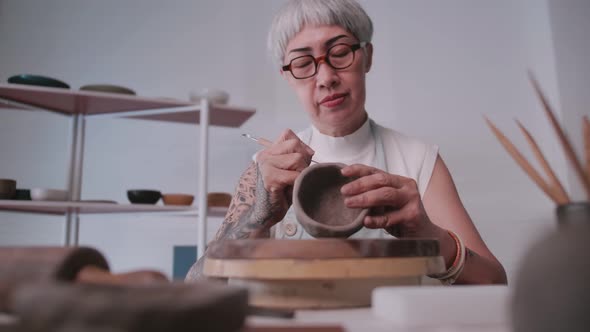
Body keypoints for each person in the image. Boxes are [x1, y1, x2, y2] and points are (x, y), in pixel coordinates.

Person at [187, 0, 506, 284]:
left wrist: (429, 234)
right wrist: (258, 217)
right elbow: (196, 289)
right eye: (302, 64)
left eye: (339, 53)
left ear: (366, 56)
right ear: (287, 76)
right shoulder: (268, 169)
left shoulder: (417, 159)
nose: (325, 77)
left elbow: (494, 280)